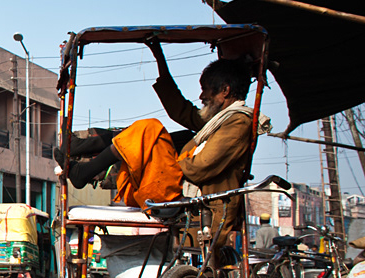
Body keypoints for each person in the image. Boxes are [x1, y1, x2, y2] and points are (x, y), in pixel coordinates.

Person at [59, 39, 267, 249]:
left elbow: (198, 167)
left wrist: (161, 158)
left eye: (206, 90)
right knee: (147, 133)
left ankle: (86, 164)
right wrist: (158, 55)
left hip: (195, 205)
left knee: (149, 131)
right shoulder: (217, 121)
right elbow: (180, 110)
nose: (201, 96)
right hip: (173, 194)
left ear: (225, 90)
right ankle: (85, 154)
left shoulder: (238, 122)